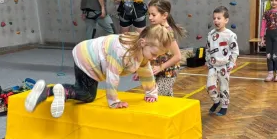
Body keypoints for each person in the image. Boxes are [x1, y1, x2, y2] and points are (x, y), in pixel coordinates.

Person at [25, 25, 172, 118]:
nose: (155, 58)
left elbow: (145, 71)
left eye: (158, 55)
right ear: (143, 43)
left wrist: (151, 92)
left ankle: (48, 91)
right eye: (154, 54)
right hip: (87, 57)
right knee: (88, 95)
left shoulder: (142, 48)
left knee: (82, 89)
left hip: (91, 54)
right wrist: (114, 101)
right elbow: (112, 76)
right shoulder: (122, 51)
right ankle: (62, 91)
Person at [147, 0, 186, 96]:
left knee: (156, 95)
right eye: (149, 14)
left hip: (168, 72)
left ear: (164, 15)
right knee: (166, 97)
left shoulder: (168, 32)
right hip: (157, 69)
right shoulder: (154, 29)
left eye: (153, 15)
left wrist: (161, 67)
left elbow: (178, 56)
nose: (150, 17)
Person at [206, 6, 239, 116]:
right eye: (214, 18)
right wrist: (208, 61)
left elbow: (235, 51)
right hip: (213, 66)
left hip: (224, 66)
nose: (216, 20)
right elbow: (207, 49)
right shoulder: (211, 34)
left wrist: (231, 64)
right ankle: (217, 101)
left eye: (219, 18)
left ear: (226, 20)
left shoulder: (230, 35)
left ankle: (224, 106)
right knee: (210, 87)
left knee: (224, 87)